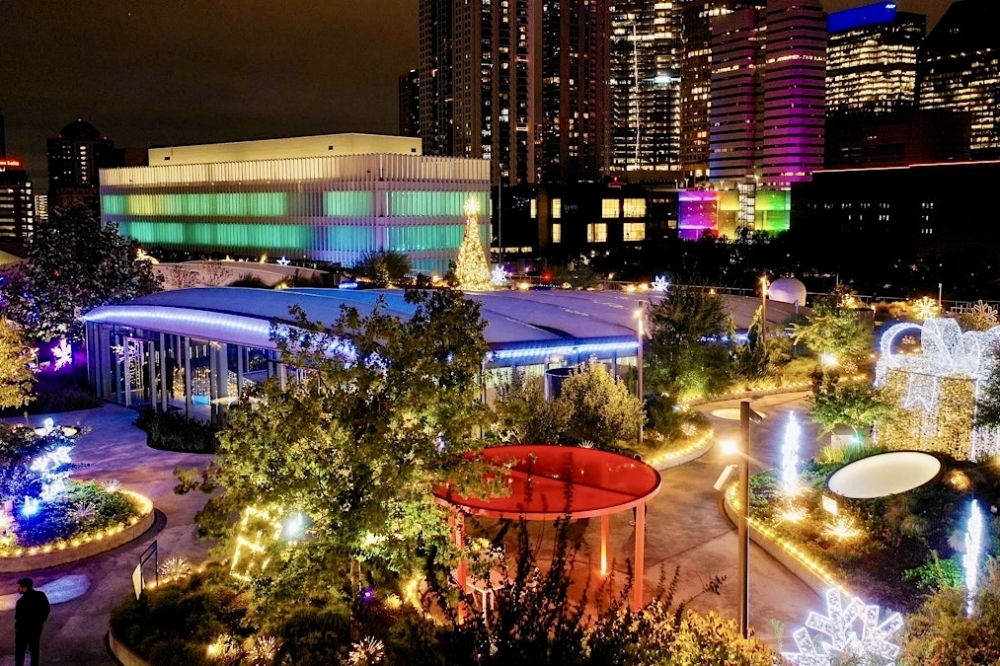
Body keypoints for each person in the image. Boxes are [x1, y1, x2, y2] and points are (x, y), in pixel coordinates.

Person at [14, 577, 50, 666]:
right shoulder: (40, 595)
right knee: (34, 649)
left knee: (20, 651)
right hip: (36, 628)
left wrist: (18, 627)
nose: (18, 589)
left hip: (23, 630)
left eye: (20, 587)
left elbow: (18, 617)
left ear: (25, 588)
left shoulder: (21, 602)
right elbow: (46, 609)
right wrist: (40, 621)